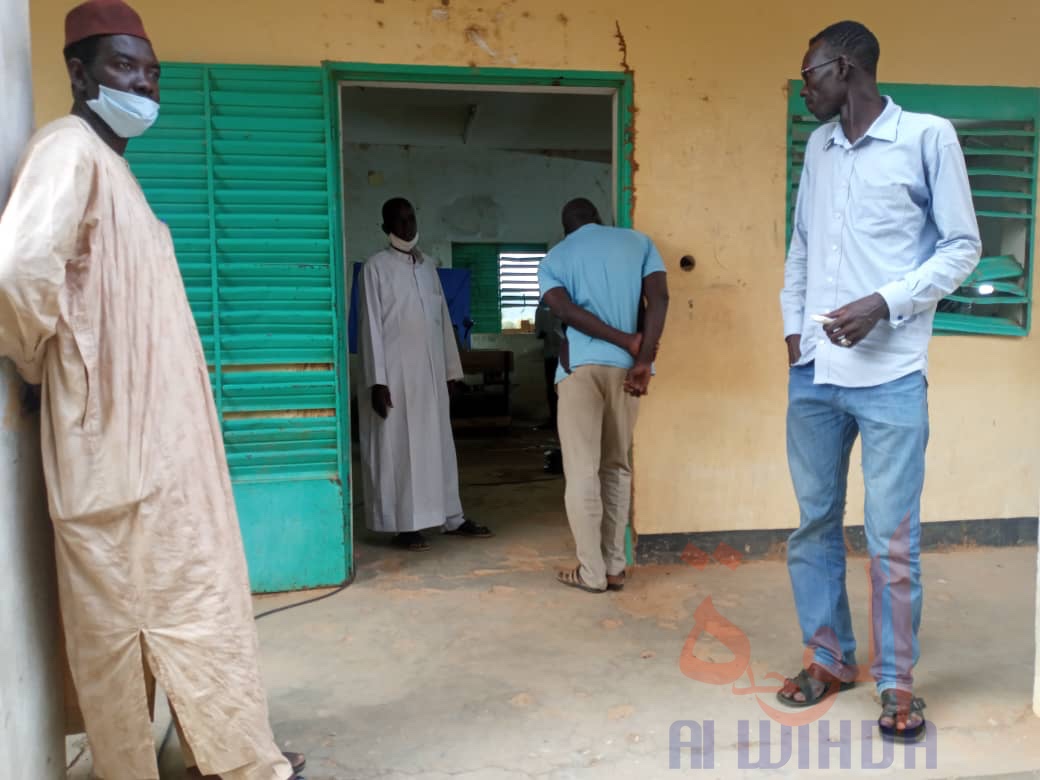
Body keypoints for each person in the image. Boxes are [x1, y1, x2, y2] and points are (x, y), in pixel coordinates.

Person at [0, 2, 306, 778]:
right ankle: (198, 763)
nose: (144, 84)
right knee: (151, 617)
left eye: (153, 72)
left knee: (195, 602)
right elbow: (19, 272)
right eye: (124, 66)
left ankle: (227, 752)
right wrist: (35, 367)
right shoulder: (67, 150)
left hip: (159, 451)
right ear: (79, 73)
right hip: (115, 454)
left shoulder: (114, 170)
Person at [777, 21, 981, 741]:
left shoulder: (928, 137)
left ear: (844, 67)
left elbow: (962, 247)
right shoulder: (819, 147)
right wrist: (794, 333)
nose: (803, 89)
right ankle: (829, 657)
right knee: (813, 526)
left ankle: (897, 682)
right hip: (815, 376)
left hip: (891, 375)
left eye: (809, 76)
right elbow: (802, 245)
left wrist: (883, 304)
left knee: (892, 539)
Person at [539, 198, 669, 593]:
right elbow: (659, 299)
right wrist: (642, 357)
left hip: (578, 369)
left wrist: (623, 339)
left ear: (566, 229)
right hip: (628, 370)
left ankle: (590, 572)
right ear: (598, 219)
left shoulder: (555, 257)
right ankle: (614, 567)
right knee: (617, 467)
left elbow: (564, 312)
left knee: (582, 471)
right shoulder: (639, 243)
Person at [357, 198, 493, 552]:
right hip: (396, 379)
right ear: (385, 227)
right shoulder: (376, 268)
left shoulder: (429, 266)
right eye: (399, 220)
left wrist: (451, 372)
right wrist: (377, 381)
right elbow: (370, 326)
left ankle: (451, 517)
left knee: (439, 448)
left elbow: (443, 322)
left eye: (410, 218)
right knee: (401, 450)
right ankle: (405, 525)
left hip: (431, 377)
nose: (407, 226)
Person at [534, 301, 564, 430]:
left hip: (562, 354)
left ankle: (560, 420)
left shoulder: (564, 306)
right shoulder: (541, 308)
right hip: (552, 354)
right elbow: (539, 333)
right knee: (552, 388)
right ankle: (554, 420)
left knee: (560, 388)